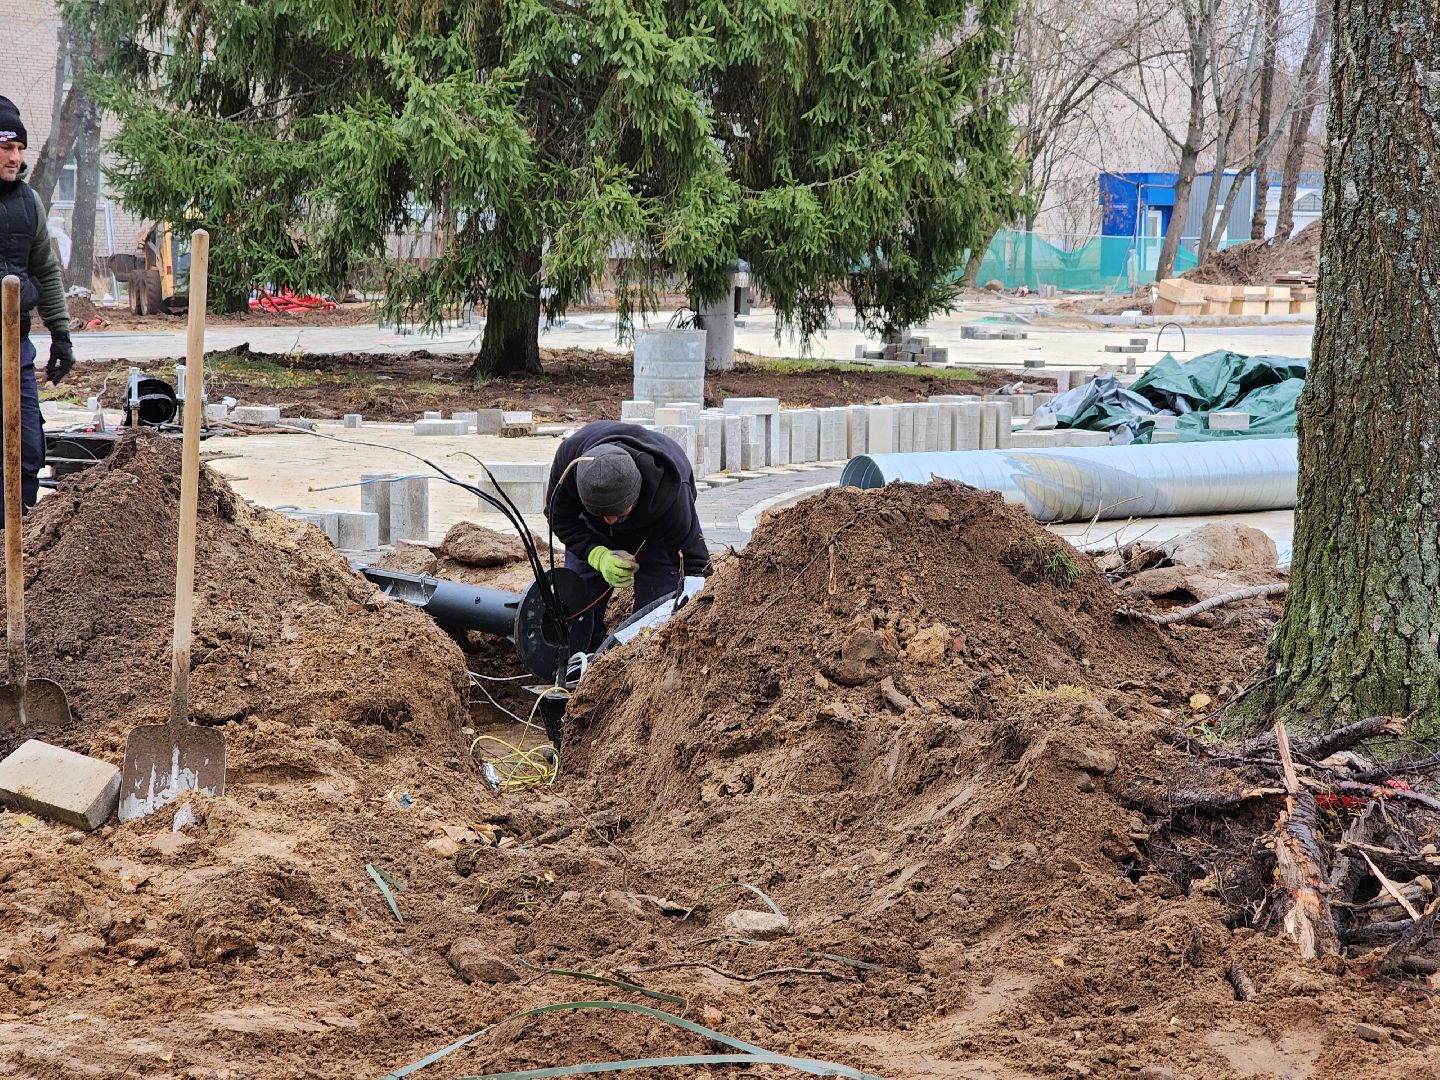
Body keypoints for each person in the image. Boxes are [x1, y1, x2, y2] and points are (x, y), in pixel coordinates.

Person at [545, 420, 711, 648]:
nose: (611, 519)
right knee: (575, 610)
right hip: (594, 533)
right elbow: (560, 518)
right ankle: (580, 664)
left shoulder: (671, 490)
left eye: (617, 513)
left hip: (655, 536)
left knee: (655, 623)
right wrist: (597, 555)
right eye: (602, 514)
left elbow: (695, 564)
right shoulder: (570, 460)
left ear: (635, 494)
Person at [0, 96, 74, 509]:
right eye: (6, 147)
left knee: (28, 445)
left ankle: (21, 540)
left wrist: (61, 335)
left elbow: (45, 270)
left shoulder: (30, 203)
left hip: (19, 349)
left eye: (19, 149)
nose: (15, 157)